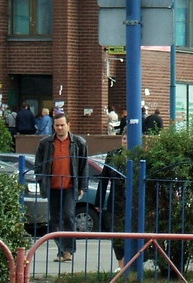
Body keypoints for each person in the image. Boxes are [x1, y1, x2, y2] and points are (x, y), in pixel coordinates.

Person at [35, 112, 89, 263]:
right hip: (52, 187)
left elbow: (83, 166)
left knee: (68, 216)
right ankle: (61, 249)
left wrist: (83, 186)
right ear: (53, 126)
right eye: (57, 125)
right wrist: (41, 180)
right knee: (54, 220)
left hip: (70, 187)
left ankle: (69, 250)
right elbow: (38, 164)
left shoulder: (79, 143)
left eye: (62, 125)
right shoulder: (45, 143)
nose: (59, 128)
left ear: (68, 125)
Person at [95, 134, 129, 271]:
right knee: (116, 234)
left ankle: (130, 264)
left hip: (133, 203)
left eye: (129, 138)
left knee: (133, 234)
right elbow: (104, 179)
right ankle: (121, 264)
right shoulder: (113, 155)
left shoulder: (141, 156)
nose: (126, 141)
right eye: (124, 138)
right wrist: (99, 201)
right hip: (115, 201)